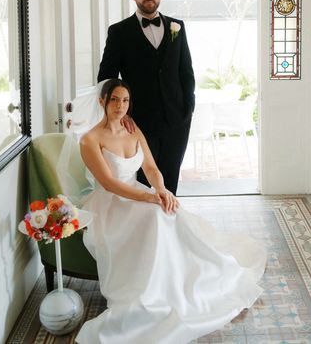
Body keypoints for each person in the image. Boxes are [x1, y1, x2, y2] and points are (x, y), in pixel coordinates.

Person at [75, 78, 266, 344]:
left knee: (168, 211)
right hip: (111, 204)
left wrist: (161, 190)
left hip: (138, 193)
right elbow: (109, 183)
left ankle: (177, 283)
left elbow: (151, 168)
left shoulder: (132, 129)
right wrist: (149, 198)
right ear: (102, 101)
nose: (120, 106)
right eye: (115, 100)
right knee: (155, 215)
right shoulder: (89, 140)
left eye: (126, 100)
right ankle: (150, 292)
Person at [98, 0, 195, 195]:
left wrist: (188, 107)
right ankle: (147, 228)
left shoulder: (177, 27)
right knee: (143, 182)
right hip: (138, 122)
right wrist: (122, 114)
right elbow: (107, 78)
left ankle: (168, 226)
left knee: (170, 181)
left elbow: (186, 73)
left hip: (177, 120)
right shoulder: (119, 32)